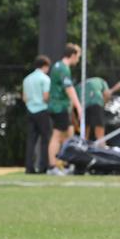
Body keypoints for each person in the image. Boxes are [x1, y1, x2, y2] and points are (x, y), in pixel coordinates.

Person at [46, 43, 83, 175]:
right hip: (59, 107)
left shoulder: (58, 66)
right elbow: (69, 88)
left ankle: (68, 165)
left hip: (59, 106)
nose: (78, 60)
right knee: (57, 136)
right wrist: (78, 106)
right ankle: (52, 167)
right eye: (78, 56)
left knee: (69, 134)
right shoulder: (63, 68)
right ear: (72, 55)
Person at [22, 56, 51, 174]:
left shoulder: (27, 79)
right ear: (45, 66)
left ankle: (29, 167)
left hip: (30, 110)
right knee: (45, 140)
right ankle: (43, 166)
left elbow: (24, 98)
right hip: (42, 110)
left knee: (31, 140)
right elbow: (45, 97)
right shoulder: (45, 79)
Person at [80, 74, 119, 142]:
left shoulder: (80, 85)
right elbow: (107, 94)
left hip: (84, 107)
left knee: (84, 134)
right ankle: (101, 146)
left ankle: (83, 147)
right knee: (100, 135)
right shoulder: (101, 81)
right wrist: (104, 103)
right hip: (96, 104)